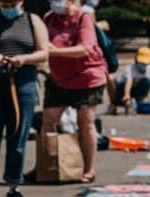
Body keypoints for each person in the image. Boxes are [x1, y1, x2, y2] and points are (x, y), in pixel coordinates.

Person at [0, 0, 47, 197]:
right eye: (4, 3)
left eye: (11, 3)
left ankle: (14, 187)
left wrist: (23, 59)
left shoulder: (33, 21)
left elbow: (44, 52)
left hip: (23, 82)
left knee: (18, 136)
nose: (7, 6)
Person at [42, 0, 105, 184]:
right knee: (48, 119)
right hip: (58, 77)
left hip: (87, 76)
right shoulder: (49, 18)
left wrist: (55, 51)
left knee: (85, 122)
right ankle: (47, 164)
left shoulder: (83, 17)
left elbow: (85, 48)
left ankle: (88, 169)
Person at [109, 47, 150, 115]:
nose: (142, 64)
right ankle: (114, 104)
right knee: (112, 79)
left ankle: (136, 103)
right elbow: (128, 82)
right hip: (121, 92)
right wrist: (127, 95)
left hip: (136, 93)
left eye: (145, 63)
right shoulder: (130, 68)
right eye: (141, 62)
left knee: (146, 82)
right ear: (136, 59)